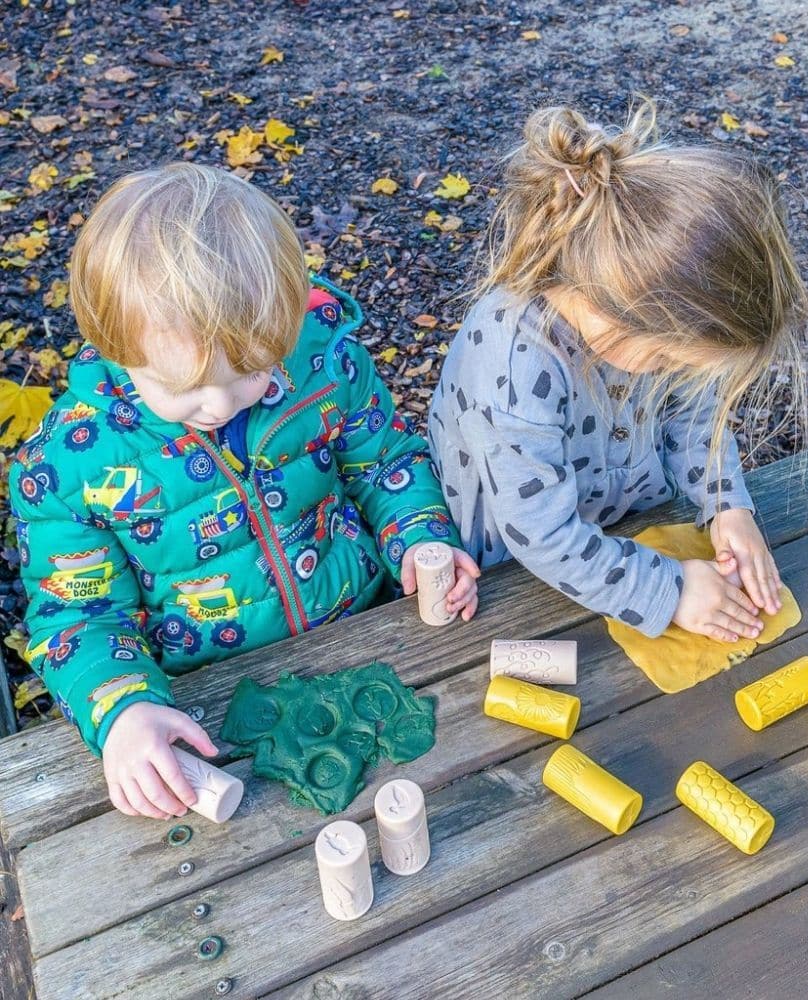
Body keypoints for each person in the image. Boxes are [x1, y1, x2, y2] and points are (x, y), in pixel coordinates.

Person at [10, 163, 479, 820]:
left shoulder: (322, 361)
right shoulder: (69, 471)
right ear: (114, 346)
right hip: (214, 704)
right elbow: (78, 617)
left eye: (253, 371)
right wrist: (123, 710)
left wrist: (420, 533)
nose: (221, 404)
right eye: (182, 389)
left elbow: (384, 462)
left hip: (365, 631)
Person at [429, 101, 808, 649]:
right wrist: (669, 590)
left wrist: (726, 504)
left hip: (621, 518)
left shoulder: (643, 306)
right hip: (520, 569)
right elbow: (541, 534)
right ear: (625, 321)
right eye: (667, 363)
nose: (672, 375)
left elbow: (693, 412)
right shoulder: (513, 369)